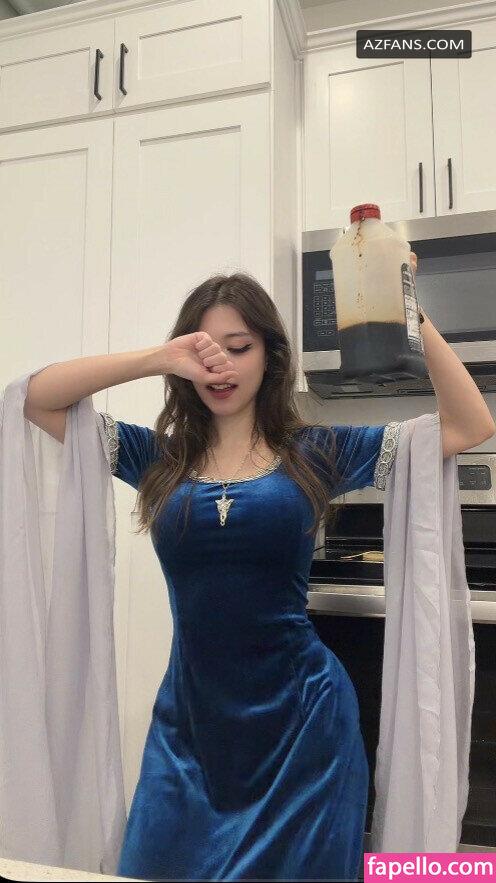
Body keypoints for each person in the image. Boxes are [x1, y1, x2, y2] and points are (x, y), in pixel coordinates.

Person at [24, 272, 403, 881]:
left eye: (239, 346)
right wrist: (157, 358)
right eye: (202, 350)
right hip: (190, 735)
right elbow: (36, 398)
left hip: (303, 729)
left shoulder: (316, 451)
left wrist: (406, 303)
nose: (219, 365)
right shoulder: (160, 458)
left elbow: (468, 428)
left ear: (269, 355)